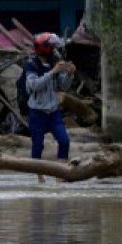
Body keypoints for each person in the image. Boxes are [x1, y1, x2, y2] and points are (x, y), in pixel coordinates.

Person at [25, 33, 75, 162]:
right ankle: (39, 178)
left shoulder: (54, 63)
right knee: (37, 146)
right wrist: (53, 72)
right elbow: (34, 85)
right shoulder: (32, 65)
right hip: (37, 112)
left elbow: (62, 86)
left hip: (53, 111)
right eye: (52, 48)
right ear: (45, 49)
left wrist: (69, 74)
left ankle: (61, 175)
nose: (55, 51)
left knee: (64, 141)